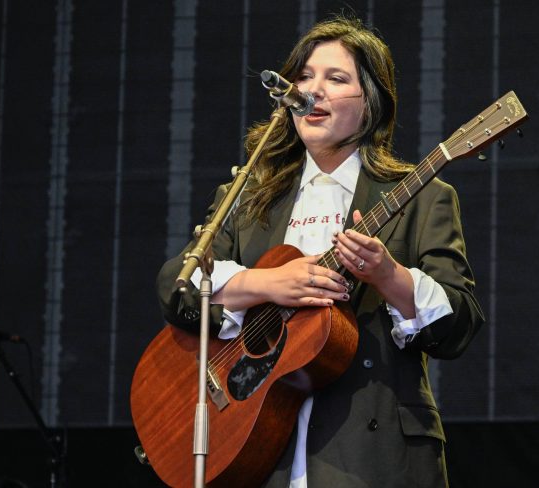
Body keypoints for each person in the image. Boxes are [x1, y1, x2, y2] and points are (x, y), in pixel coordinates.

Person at [156, 15, 484, 488]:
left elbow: (460, 326)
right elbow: (178, 285)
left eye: (336, 78)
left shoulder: (423, 196)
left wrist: (388, 275)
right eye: (304, 77)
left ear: (370, 100)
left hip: (372, 455)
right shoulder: (252, 197)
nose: (313, 90)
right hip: (256, 448)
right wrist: (267, 283)